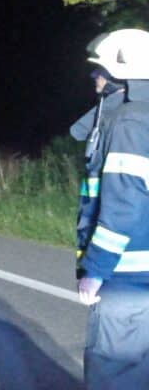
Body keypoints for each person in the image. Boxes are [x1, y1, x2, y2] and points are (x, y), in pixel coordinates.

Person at [78, 28, 149, 390]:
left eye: (98, 75)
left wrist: (96, 269)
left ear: (119, 77)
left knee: (117, 370)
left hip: (130, 273)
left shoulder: (130, 122)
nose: (95, 82)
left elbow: (122, 204)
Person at [71, 66, 126, 276]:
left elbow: (77, 131)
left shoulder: (116, 106)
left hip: (100, 195)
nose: (95, 78)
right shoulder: (124, 106)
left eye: (99, 75)